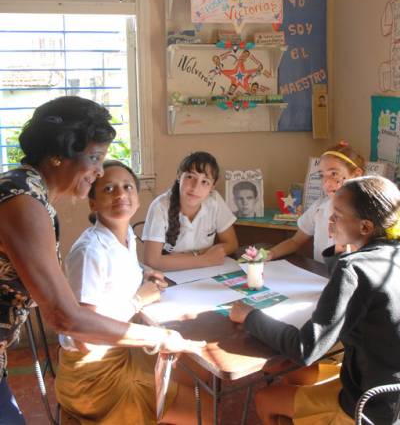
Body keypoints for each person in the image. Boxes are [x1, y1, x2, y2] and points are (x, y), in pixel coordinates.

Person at [0, 96, 204, 425]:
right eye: (94, 158)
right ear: (59, 153)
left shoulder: (30, 194)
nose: (98, 171)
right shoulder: (23, 202)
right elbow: (67, 318)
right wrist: (161, 337)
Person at [230, 175, 400, 425]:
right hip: (387, 393)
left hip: (367, 407)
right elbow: (357, 286)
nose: (330, 222)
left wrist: (250, 317)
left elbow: (305, 348)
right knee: (293, 373)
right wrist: (341, 249)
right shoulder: (390, 256)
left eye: (337, 216)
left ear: (365, 227)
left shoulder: (354, 270)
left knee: (265, 398)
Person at [56, 160, 212, 424]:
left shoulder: (124, 234)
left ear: (137, 200)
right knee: (205, 409)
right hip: (95, 375)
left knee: (197, 367)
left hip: (122, 353)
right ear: (92, 203)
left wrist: (143, 274)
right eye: (108, 189)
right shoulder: (90, 251)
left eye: (127, 187)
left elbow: (114, 278)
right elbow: (86, 340)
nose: (120, 194)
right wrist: (137, 300)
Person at [268, 141, 365, 263]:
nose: (326, 182)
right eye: (322, 175)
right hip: (320, 273)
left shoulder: (367, 214)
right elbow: (295, 241)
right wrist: (270, 254)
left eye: (334, 173)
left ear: (356, 174)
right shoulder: (319, 208)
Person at [142, 151, 238, 271]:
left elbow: (231, 244)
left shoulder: (215, 201)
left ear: (212, 186)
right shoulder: (160, 206)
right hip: (170, 275)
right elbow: (152, 261)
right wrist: (205, 259)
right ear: (179, 176)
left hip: (204, 273)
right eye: (190, 177)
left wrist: (196, 255)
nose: (195, 187)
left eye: (204, 182)